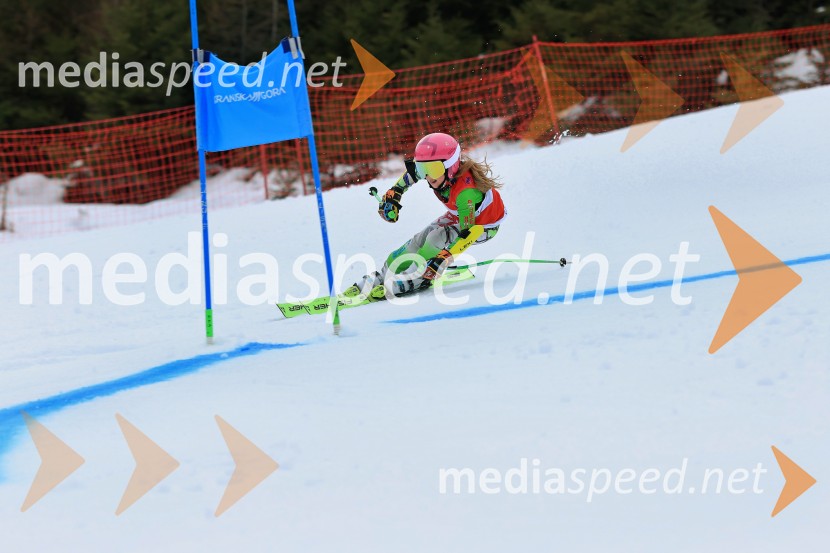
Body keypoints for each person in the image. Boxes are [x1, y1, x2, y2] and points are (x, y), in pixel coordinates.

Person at [353, 132, 507, 297]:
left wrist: (443, 258)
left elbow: (468, 233)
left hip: (483, 226)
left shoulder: (466, 193)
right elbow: (412, 174)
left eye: (432, 169)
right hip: (458, 215)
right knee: (420, 239)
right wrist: (394, 193)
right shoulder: (438, 172)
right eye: (422, 168)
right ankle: (385, 273)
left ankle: (418, 277)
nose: (427, 176)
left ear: (451, 166)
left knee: (436, 239)